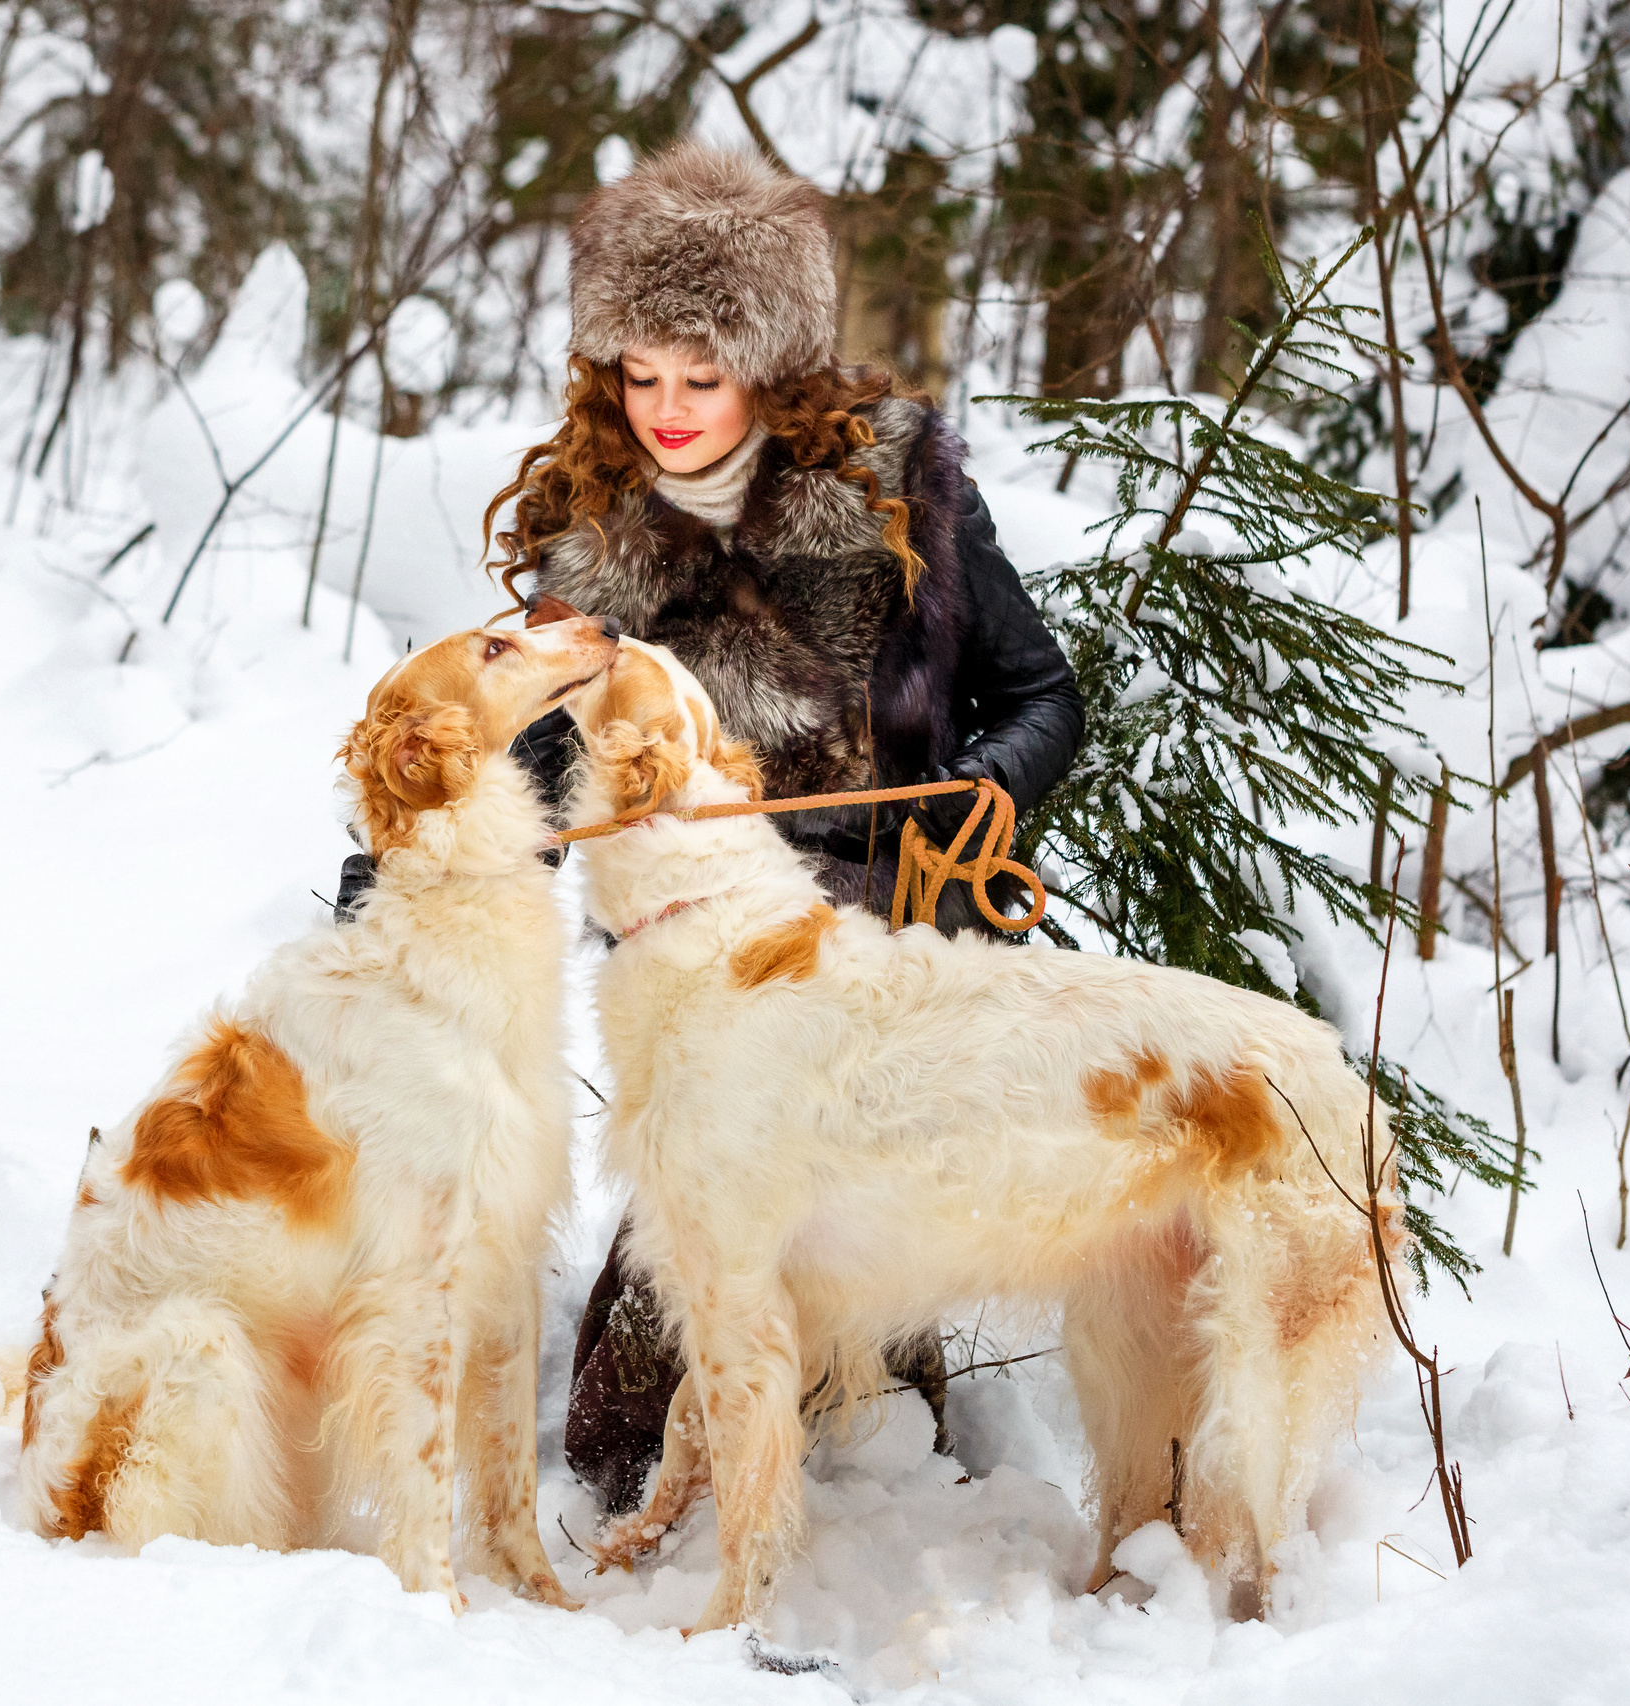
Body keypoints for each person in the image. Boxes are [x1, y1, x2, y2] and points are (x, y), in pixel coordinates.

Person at [464, 141, 1085, 1513]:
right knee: (618, 1429)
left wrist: (982, 786)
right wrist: (419, 851)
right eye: (641, 374)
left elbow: (1044, 696)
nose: (669, 410)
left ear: (773, 363)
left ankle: (872, 1431)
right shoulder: (595, 533)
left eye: (704, 375)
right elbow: (531, 758)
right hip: (701, 985)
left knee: (861, 1368)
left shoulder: (902, 484)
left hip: (887, 966)